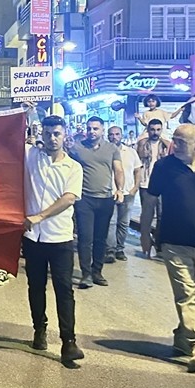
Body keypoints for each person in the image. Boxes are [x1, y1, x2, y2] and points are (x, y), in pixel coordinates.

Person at [146, 123, 195, 373]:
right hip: (174, 241)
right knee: (186, 294)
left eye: (181, 142)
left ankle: (182, 337)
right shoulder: (163, 167)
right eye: (174, 140)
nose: (174, 145)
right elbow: (150, 200)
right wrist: (146, 232)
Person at [22, 115, 85, 365]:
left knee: (64, 290)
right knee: (35, 287)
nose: (52, 138)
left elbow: (69, 198)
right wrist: (29, 112)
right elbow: (4, 139)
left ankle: (68, 341)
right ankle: (39, 329)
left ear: (64, 134)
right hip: (32, 237)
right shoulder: (31, 156)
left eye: (56, 133)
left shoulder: (73, 167)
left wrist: (40, 216)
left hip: (59, 237)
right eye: (48, 134)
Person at [68, 116, 123, 287]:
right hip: (84, 199)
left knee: (101, 239)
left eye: (96, 129)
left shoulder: (112, 148)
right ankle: (86, 274)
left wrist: (119, 189)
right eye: (90, 128)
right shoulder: (77, 148)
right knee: (85, 238)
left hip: (105, 199)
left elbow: (118, 169)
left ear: (102, 130)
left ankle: (97, 272)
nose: (92, 132)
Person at [135, 119, 172, 258]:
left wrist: (165, 140)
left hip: (163, 185)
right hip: (146, 184)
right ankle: (146, 242)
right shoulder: (142, 143)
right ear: (148, 130)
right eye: (152, 129)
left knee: (162, 216)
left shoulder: (167, 145)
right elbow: (137, 161)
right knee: (146, 216)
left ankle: (159, 245)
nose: (155, 132)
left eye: (158, 129)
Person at [106, 124, 141, 263]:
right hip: (110, 192)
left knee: (124, 223)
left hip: (127, 193)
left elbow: (138, 170)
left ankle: (120, 249)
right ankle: (110, 250)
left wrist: (135, 188)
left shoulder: (131, 152)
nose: (114, 137)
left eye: (117, 134)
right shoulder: (105, 151)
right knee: (111, 222)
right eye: (111, 134)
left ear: (121, 135)